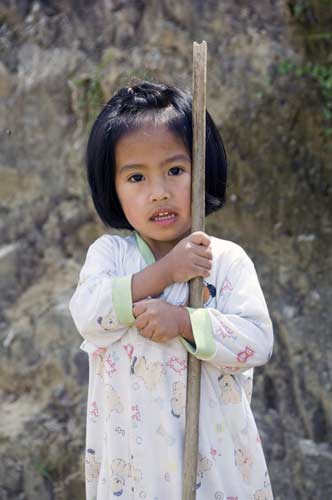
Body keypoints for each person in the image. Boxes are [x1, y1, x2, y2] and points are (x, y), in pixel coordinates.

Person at [69, 80, 274, 500]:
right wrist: (164, 273)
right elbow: (88, 315)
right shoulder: (110, 255)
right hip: (135, 473)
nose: (158, 191)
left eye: (175, 171)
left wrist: (184, 321)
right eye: (136, 176)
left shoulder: (224, 260)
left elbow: (257, 340)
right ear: (113, 187)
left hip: (213, 467)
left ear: (203, 169)